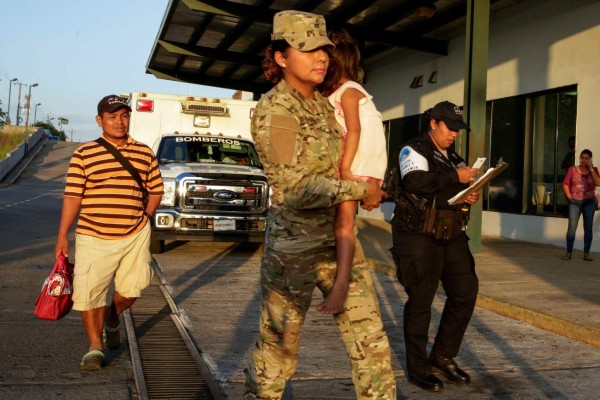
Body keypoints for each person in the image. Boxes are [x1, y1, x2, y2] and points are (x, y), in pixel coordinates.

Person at [243, 10, 396, 400]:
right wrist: (359, 191)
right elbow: (294, 187)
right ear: (280, 57)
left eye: (324, 48)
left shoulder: (325, 106)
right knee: (280, 349)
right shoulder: (277, 110)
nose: (321, 56)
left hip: (336, 238)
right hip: (293, 249)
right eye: (307, 48)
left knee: (371, 340)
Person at [54, 95, 164, 371]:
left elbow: (156, 190)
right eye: (112, 116)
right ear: (99, 120)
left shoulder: (144, 152)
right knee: (89, 293)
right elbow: (72, 197)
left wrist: (146, 217)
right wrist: (62, 235)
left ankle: (112, 318)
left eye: (124, 116)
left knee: (133, 289)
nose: (119, 121)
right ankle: (95, 346)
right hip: (93, 233)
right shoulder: (84, 153)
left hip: (134, 233)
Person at [389, 101, 480, 392]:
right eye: (449, 127)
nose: (454, 134)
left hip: (449, 231)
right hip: (417, 234)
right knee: (421, 301)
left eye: (457, 129)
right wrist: (457, 178)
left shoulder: (454, 157)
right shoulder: (412, 150)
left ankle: (442, 355)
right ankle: (418, 368)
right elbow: (416, 182)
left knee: (465, 290)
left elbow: (452, 188)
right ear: (433, 124)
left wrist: (467, 194)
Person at [317, 28, 387, 315]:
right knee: (344, 225)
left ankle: (341, 285)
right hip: (369, 166)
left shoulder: (347, 92)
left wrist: (345, 168)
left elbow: (354, 130)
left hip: (357, 165)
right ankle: (342, 280)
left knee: (343, 226)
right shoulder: (353, 92)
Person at [561, 149, 600, 261]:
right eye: (582, 158)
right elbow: (565, 183)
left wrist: (591, 169)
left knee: (588, 228)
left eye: (586, 158)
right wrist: (569, 196)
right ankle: (569, 253)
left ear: (590, 159)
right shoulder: (572, 169)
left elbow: (598, 183)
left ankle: (586, 254)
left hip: (589, 202)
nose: (583, 160)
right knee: (572, 228)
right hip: (575, 203)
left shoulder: (595, 170)